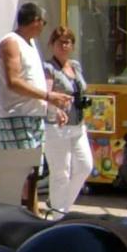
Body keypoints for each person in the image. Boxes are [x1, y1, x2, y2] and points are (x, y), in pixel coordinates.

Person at [0, 1, 71, 151]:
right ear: (36, 21)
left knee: (35, 170)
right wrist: (48, 96)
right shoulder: (11, 42)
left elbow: (34, 80)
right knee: (22, 168)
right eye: (44, 22)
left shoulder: (31, 43)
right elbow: (13, 81)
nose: (44, 27)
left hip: (34, 116)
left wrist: (52, 107)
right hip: (16, 116)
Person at [42, 25, 94, 215]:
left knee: (85, 166)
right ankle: (58, 214)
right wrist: (55, 109)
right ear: (52, 45)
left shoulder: (75, 65)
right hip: (57, 126)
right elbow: (47, 93)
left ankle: (60, 206)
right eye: (60, 42)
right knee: (60, 173)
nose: (64, 46)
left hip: (78, 125)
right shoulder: (49, 67)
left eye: (68, 42)